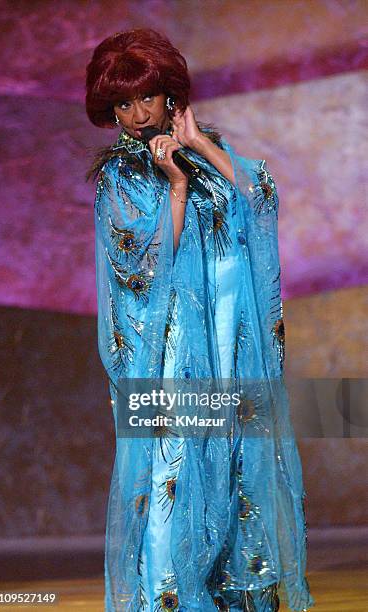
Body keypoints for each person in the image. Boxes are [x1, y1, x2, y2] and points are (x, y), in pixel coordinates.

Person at [85, 28, 314, 612]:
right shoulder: (122, 175)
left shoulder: (205, 154)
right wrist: (178, 187)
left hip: (230, 342)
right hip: (174, 350)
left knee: (238, 458)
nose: (136, 115)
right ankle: (165, 596)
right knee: (175, 461)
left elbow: (259, 201)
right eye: (122, 104)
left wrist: (202, 150)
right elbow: (141, 266)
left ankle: (236, 592)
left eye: (146, 98)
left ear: (171, 96)